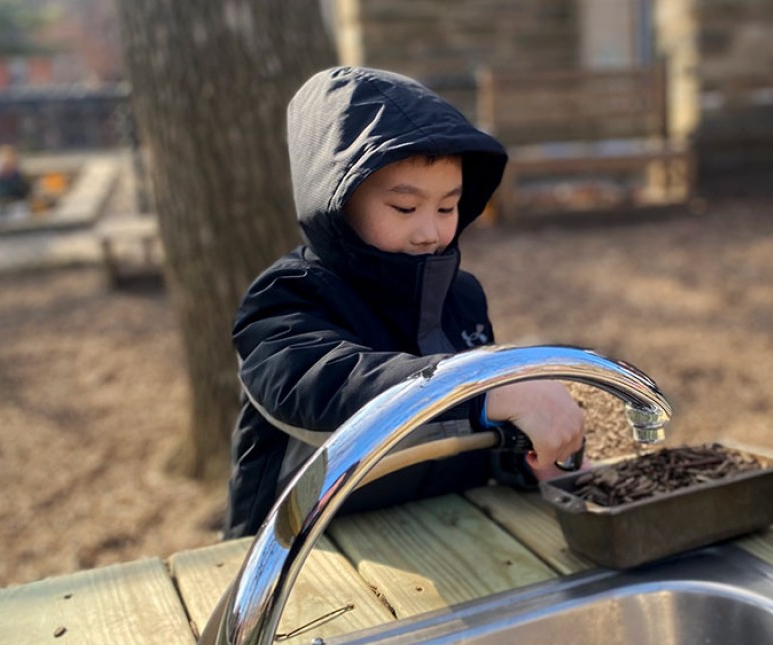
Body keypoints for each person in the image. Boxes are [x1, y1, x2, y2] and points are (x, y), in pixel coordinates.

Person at [224, 67, 586, 539]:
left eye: (447, 207)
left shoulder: (460, 297)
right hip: (302, 551)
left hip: (445, 532)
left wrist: (530, 456)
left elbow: (471, 430)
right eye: (405, 208)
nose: (430, 232)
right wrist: (480, 391)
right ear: (336, 200)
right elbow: (323, 388)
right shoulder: (287, 297)